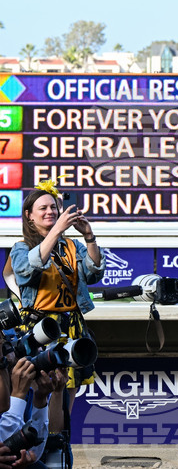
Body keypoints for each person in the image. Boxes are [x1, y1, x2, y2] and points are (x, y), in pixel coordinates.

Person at [10, 186, 104, 446]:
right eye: (43, 208)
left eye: (54, 207)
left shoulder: (72, 246)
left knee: (66, 392)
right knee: (35, 388)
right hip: (40, 329)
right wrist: (56, 231)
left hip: (71, 326)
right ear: (29, 215)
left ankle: (59, 448)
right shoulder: (21, 247)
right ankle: (30, 445)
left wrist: (89, 237)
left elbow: (95, 272)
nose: (50, 211)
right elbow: (29, 268)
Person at [0, 352, 65, 468]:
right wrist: (18, 395)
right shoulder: (20, 391)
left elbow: (34, 453)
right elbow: (5, 448)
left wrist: (40, 399)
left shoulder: (28, 392)